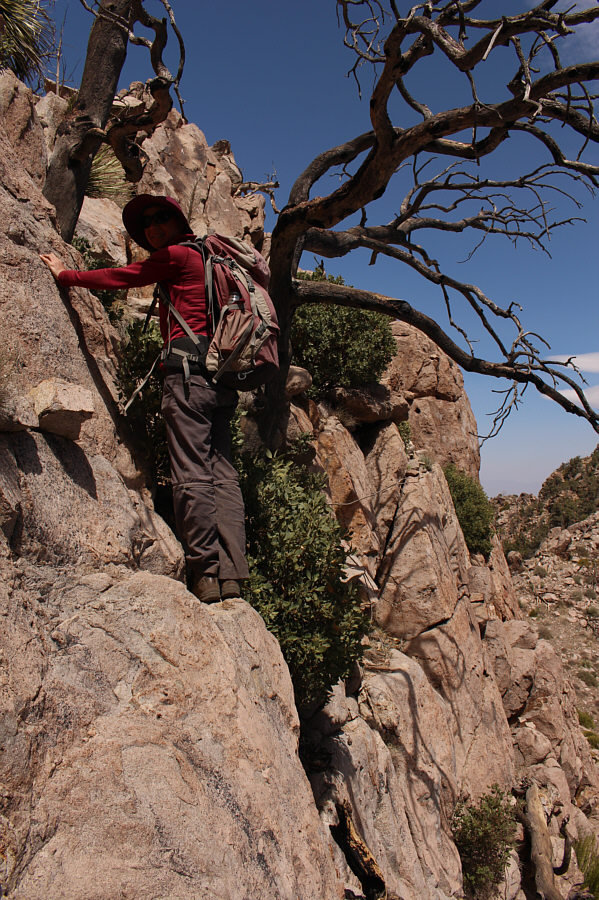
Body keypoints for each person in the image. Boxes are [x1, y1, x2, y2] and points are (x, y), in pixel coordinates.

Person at [40, 194, 249, 603]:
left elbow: (121, 277)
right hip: (220, 382)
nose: (153, 226)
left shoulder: (175, 255)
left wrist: (67, 276)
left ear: (178, 222)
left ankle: (205, 575)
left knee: (191, 476)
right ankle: (232, 577)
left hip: (188, 382)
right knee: (223, 476)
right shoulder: (207, 258)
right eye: (147, 222)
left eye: (161, 217)